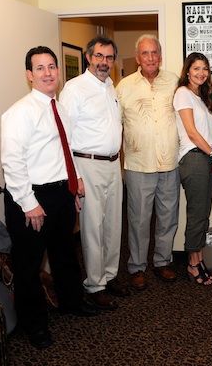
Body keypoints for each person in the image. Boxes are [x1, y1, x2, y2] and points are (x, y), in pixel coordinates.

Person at [1, 46, 99, 349]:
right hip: (31, 195)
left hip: (61, 192)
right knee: (28, 265)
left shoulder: (61, 108)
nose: (48, 73)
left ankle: (71, 302)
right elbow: (12, 161)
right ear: (30, 75)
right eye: (40, 68)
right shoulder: (19, 112)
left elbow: (65, 151)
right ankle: (35, 325)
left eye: (52, 67)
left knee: (65, 252)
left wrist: (74, 186)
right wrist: (29, 204)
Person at [60, 36, 129, 310]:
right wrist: (74, 176)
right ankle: (95, 284)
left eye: (109, 57)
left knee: (113, 225)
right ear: (89, 57)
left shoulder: (111, 86)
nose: (104, 62)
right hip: (87, 165)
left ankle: (109, 276)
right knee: (92, 228)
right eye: (99, 56)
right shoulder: (74, 89)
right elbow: (65, 137)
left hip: (113, 164)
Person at [116, 34, 179, 291]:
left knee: (168, 216)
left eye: (154, 53)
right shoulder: (124, 86)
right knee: (139, 219)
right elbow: (114, 125)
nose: (150, 57)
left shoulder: (174, 82)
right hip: (138, 164)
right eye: (145, 53)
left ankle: (162, 261)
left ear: (160, 56)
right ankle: (137, 267)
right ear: (137, 58)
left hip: (169, 163)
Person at [174, 52, 212, 285]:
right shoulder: (183, 93)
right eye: (196, 68)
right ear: (187, 71)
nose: (201, 73)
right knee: (196, 215)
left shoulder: (203, 97)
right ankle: (193, 263)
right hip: (194, 159)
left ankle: (199, 260)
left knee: (203, 214)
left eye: (205, 68)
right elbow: (193, 133)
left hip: (207, 158)